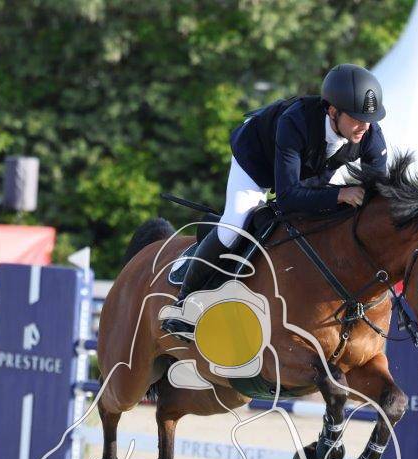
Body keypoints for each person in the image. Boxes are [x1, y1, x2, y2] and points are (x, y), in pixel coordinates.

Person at [162, 63, 388, 337]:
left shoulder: (370, 135)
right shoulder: (296, 122)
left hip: (309, 171)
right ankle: (185, 303)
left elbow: (377, 194)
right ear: (332, 111)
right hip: (257, 161)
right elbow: (288, 197)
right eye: (356, 118)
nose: (364, 126)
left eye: (369, 118)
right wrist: (340, 194)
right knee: (235, 226)